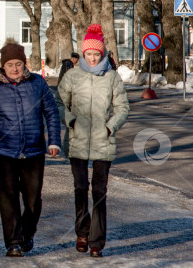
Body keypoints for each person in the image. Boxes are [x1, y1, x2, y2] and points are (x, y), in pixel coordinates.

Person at [0, 43, 61, 258]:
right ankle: (13, 243)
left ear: (25, 63)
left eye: (19, 64)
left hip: (34, 150)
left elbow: (51, 112)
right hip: (4, 151)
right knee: (9, 196)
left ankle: (27, 233)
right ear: (2, 66)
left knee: (33, 198)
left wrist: (54, 141)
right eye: (10, 65)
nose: (15, 69)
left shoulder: (37, 83)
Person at [56, 24, 129, 258]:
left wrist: (110, 127)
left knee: (99, 191)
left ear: (102, 53)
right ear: (83, 54)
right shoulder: (72, 76)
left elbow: (123, 108)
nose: (93, 58)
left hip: (103, 142)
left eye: (97, 54)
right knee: (80, 188)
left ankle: (96, 241)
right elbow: (58, 103)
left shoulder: (111, 77)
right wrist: (71, 120)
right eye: (89, 54)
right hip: (77, 140)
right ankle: (82, 232)